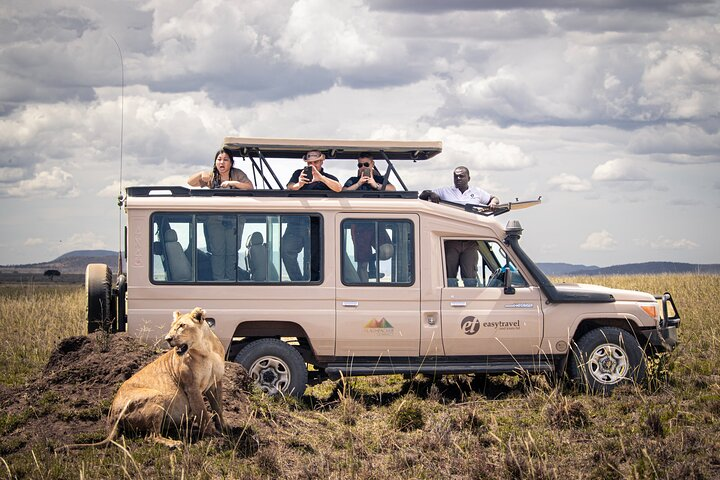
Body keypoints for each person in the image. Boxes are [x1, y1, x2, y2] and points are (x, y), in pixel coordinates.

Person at [420, 166, 500, 287]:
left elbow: (494, 198)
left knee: (470, 277)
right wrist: (431, 194)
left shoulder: (476, 192)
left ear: (469, 178)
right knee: (449, 276)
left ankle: (470, 301)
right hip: (451, 239)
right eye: (455, 176)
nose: (458, 178)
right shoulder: (445, 191)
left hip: (470, 240)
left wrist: (493, 203)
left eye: (461, 176)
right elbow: (423, 195)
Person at [187, 149, 254, 280]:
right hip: (215, 219)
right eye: (219, 159)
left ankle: (231, 280)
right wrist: (201, 174)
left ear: (231, 163)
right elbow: (190, 182)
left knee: (231, 252)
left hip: (235, 219)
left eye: (225, 159)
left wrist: (232, 183)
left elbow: (250, 187)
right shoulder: (212, 176)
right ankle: (219, 281)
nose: (222, 162)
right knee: (217, 252)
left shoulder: (237, 174)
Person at [282, 150, 341, 281]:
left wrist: (321, 178)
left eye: (315, 162)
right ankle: (298, 282)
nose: (312, 165)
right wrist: (300, 184)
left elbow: (338, 188)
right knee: (286, 250)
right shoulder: (299, 174)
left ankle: (313, 284)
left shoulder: (328, 177)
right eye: (310, 163)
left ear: (321, 162)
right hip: (296, 221)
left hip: (317, 224)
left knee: (314, 257)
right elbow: (290, 187)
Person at [343, 153, 395, 281]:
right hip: (359, 224)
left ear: (372, 164)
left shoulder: (380, 180)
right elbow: (343, 191)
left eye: (366, 164)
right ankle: (363, 290)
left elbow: (393, 189)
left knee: (387, 251)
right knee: (362, 264)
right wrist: (358, 184)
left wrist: (375, 185)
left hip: (377, 222)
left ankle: (371, 259)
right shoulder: (353, 180)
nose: (362, 167)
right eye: (360, 165)